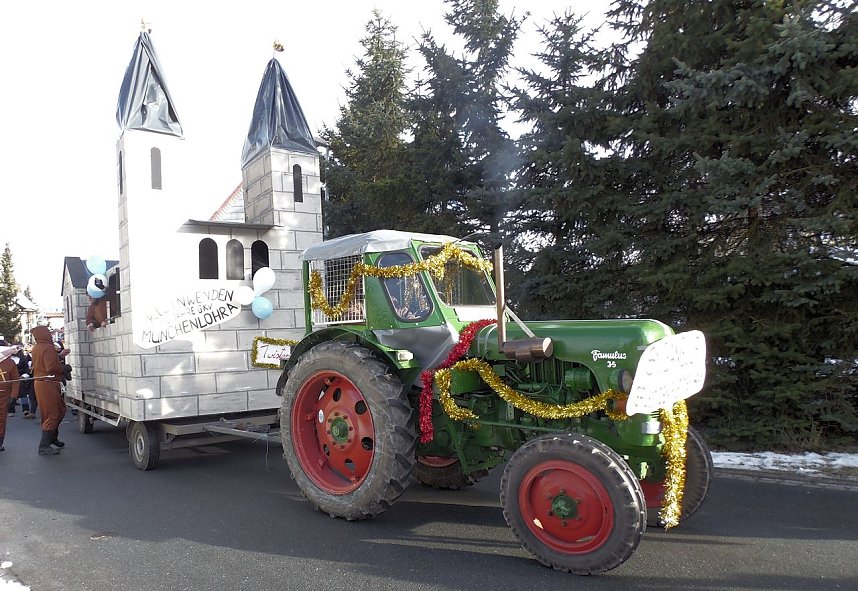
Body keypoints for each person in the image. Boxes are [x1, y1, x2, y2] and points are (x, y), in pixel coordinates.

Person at [30, 325, 69, 456]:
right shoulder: (47, 348)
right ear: (43, 334)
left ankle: (52, 437)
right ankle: (44, 445)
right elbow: (51, 367)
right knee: (52, 413)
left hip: (44, 383)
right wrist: (63, 368)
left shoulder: (37, 347)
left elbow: (45, 364)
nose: (50, 335)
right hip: (47, 383)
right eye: (48, 332)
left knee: (59, 410)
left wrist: (59, 357)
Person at [0, 340, 21, 451]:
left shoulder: (10, 363)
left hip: (4, 396)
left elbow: (15, 379)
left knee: (1, 419)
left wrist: (13, 395)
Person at [16, 346, 36, 418]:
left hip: (24, 379)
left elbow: (28, 370)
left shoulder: (24, 359)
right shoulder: (24, 358)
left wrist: (24, 376)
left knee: (26, 395)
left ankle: (27, 410)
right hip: (18, 379)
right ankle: (25, 410)